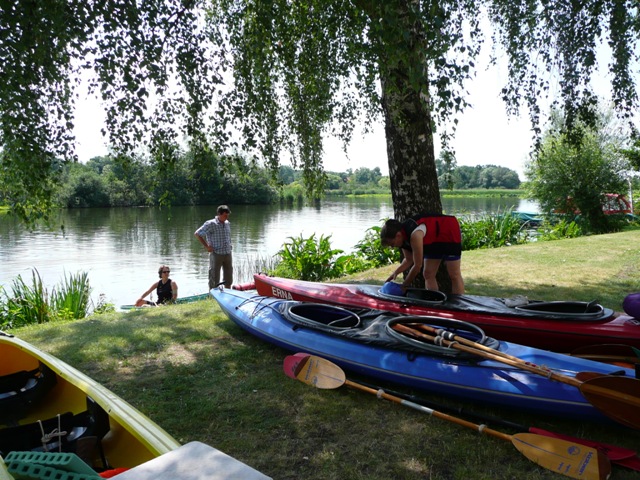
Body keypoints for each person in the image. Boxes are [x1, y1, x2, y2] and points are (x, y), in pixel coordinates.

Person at [380, 214, 465, 294]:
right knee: (428, 274)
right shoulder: (402, 238)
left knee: (454, 274)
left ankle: (460, 304)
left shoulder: (415, 235)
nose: (392, 247)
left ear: (398, 235)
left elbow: (417, 265)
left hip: (448, 231)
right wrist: (395, 272)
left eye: (392, 244)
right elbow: (409, 260)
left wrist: (405, 285)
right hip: (432, 240)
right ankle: (434, 300)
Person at [195, 205, 233, 289]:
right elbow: (197, 234)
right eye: (225, 215)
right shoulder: (211, 224)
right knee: (214, 277)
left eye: (227, 215)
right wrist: (207, 246)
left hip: (227, 253)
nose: (226, 217)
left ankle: (228, 293)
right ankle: (212, 295)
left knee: (229, 277)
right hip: (216, 254)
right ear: (219, 214)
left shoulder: (227, 223)